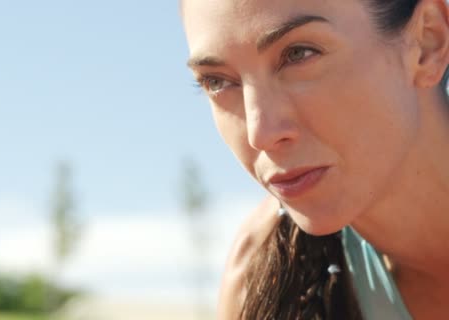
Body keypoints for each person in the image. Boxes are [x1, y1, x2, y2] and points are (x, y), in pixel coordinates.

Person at [181, 0, 449, 319]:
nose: (261, 133)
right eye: (217, 81)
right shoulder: (261, 280)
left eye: (299, 54)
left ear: (427, 42)